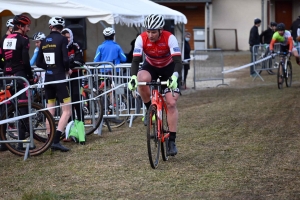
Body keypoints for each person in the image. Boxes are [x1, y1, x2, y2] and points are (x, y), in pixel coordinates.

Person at [127, 14, 182, 156]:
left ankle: (172, 141)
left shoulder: (170, 38)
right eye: (148, 31)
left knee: (171, 103)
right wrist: (133, 77)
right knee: (141, 78)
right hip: (151, 66)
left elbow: (178, 62)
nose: (150, 35)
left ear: (160, 31)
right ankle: (149, 110)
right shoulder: (141, 38)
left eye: (153, 32)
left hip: (169, 68)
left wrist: (175, 77)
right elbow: (135, 61)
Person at [36, 16, 72, 152]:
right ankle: (56, 141)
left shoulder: (44, 40)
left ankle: (49, 140)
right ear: (62, 28)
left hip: (48, 78)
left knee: (50, 110)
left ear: (50, 27)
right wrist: (65, 68)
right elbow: (65, 59)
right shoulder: (62, 39)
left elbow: (38, 63)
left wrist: (49, 67)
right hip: (60, 78)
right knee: (67, 110)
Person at [1, 15, 33, 150]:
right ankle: (21, 143)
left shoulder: (5, 39)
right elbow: (26, 60)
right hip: (20, 76)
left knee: (6, 109)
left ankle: (3, 143)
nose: (29, 29)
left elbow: (2, 57)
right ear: (20, 26)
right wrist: (30, 76)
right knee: (23, 108)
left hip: (7, 76)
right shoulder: (23, 39)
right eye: (26, 26)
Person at [61, 28, 85, 124]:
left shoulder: (76, 45)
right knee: (67, 103)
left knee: (76, 100)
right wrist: (67, 67)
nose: (66, 39)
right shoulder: (60, 46)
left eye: (68, 37)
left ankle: (80, 125)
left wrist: (68, 65)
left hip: (76, 75)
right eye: (64, 37)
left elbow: (79, 60)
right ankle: (70, 126)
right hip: (64, 76)